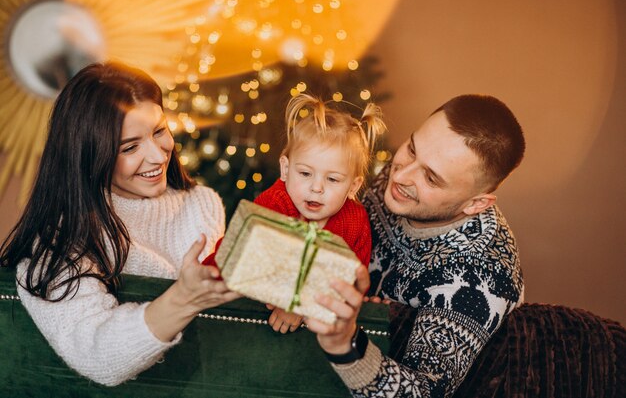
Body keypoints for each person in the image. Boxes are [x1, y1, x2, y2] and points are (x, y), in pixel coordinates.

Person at [0, 62, 240, 387]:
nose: (157, 156)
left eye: (159, 131)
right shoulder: (61, 240)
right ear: (88, 155)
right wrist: (183, 298)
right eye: (130, 147)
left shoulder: (202, 203)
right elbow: (97, 355)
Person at [305, 94, 526, 398]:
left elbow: (423, 391)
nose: (400, 174)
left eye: (431, 178)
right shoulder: (403, 180)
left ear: (476, 204)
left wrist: (346, 344)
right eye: (411, 149)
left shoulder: (481, 279)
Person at [204, 93, 387, 334]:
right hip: (224, 287)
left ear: (353, 187)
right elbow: (257, 264)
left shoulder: (355, 221)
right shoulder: (275, 203)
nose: (316, 187)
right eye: (305, 174)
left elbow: (350, 284)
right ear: (286, 169)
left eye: (332, 179)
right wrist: (292, 301)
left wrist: (304, 306)